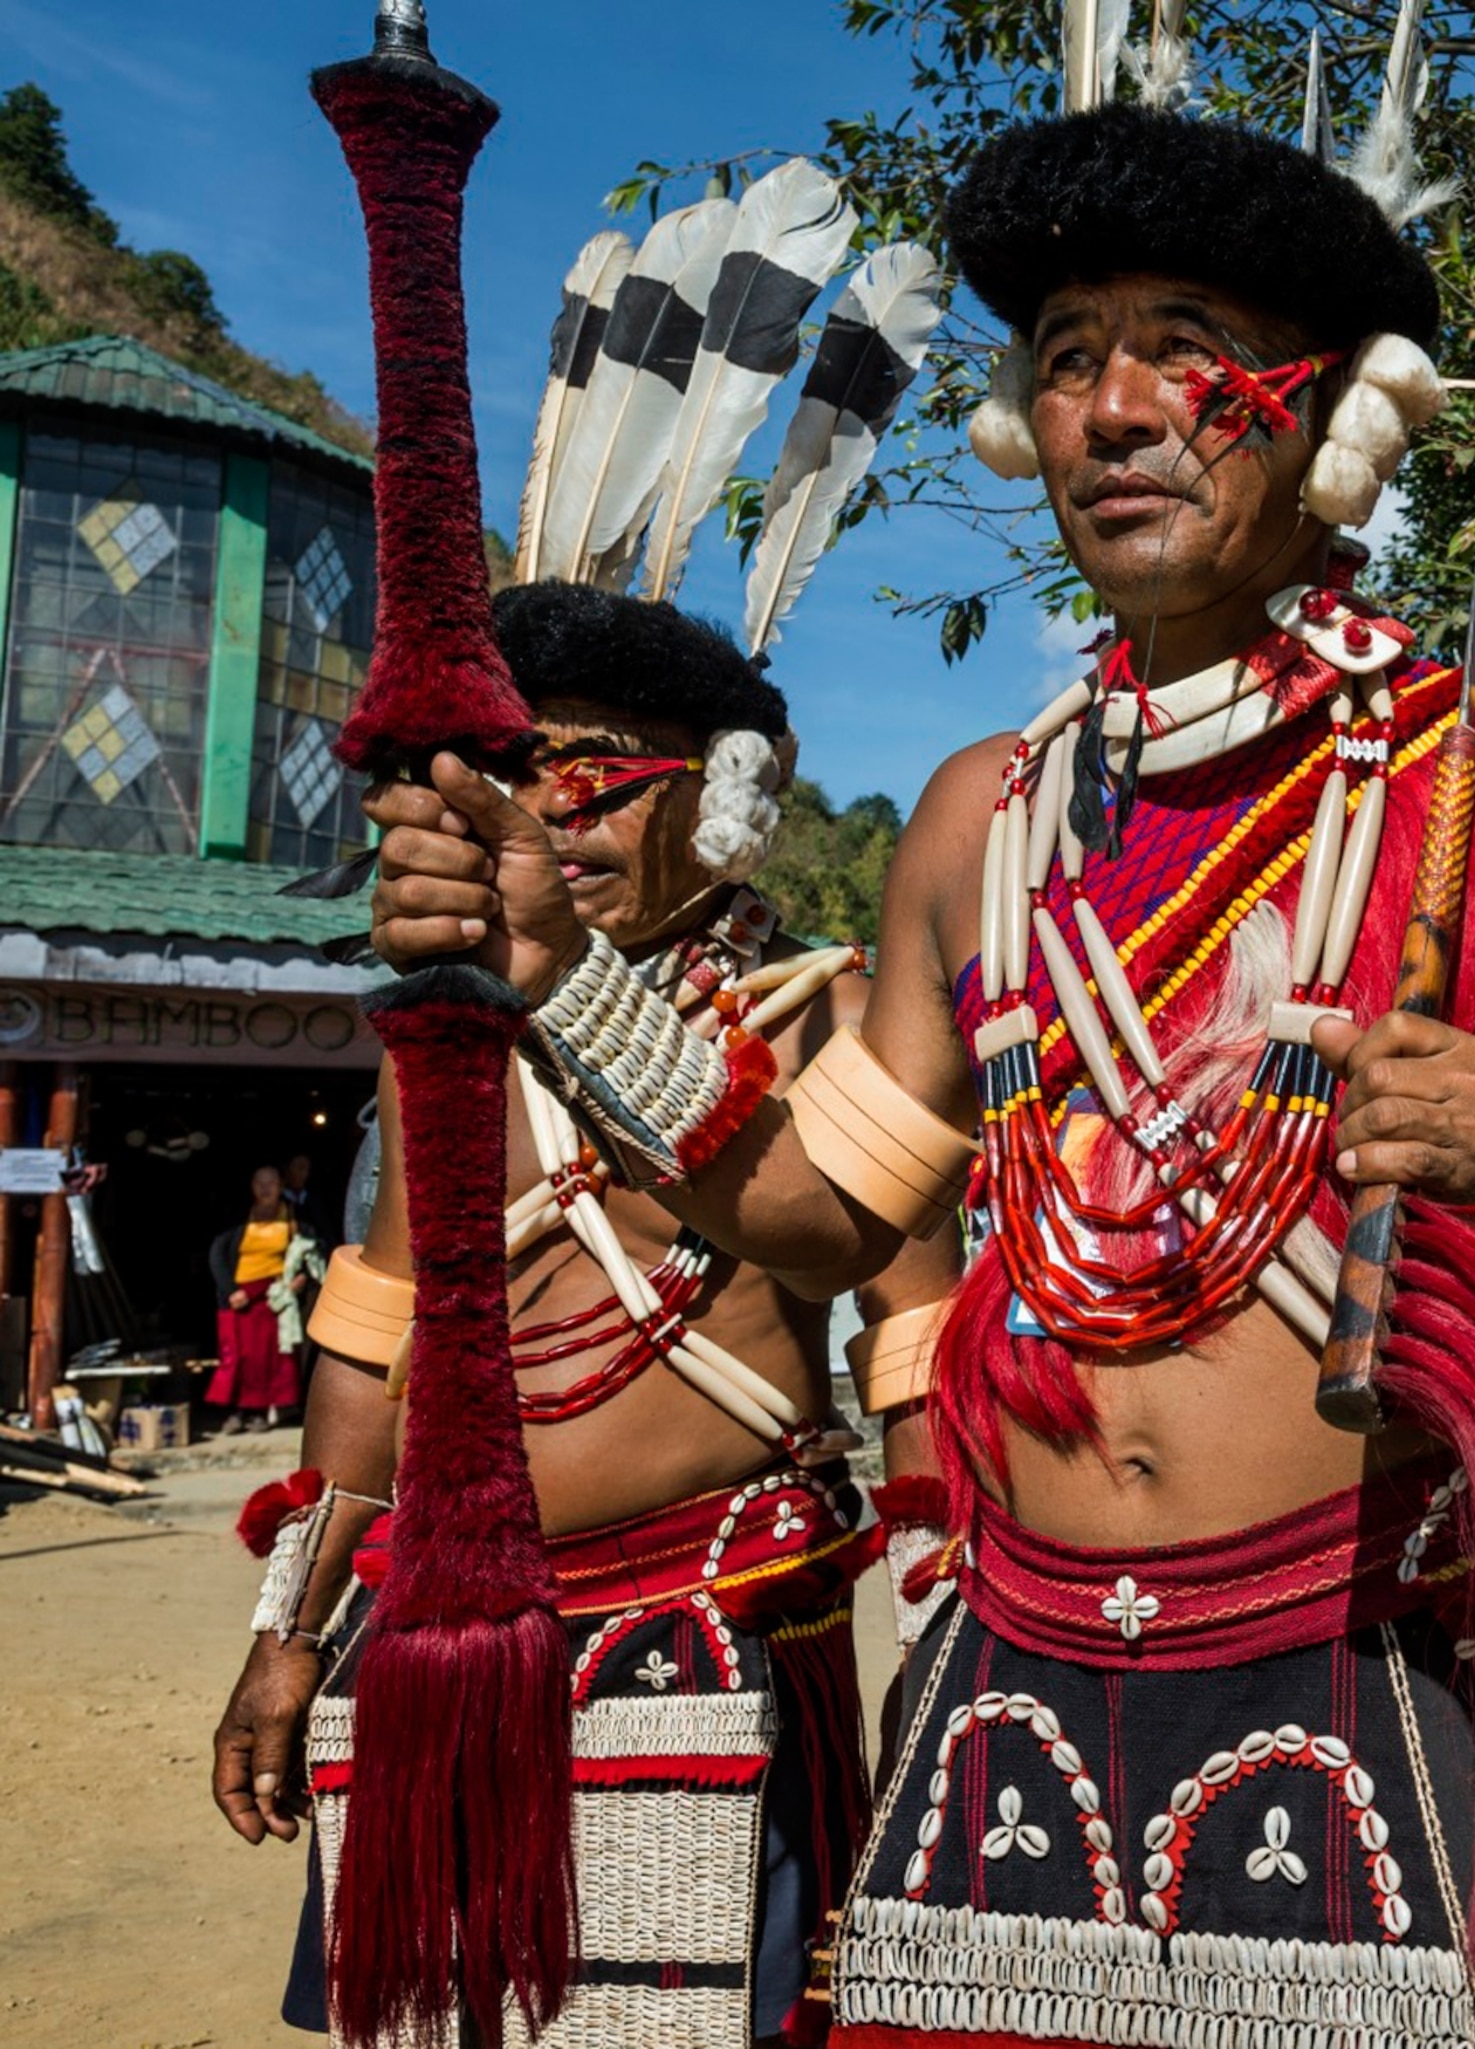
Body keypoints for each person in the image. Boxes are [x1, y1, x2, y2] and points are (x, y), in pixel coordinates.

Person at [364, 79, 1475, 2049]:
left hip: (1363, 1661)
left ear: (1319, 408)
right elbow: (830, 1205)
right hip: (1011, 1675)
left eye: (1181, 358)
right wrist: (562, 975)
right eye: (1064, 361)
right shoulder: (982, 818)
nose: (1111, 410)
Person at [208, 149, 948, 2045]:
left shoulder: (819, 1003)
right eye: (525, 780)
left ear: (722, 794)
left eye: (611, 777)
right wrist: (292, 1628)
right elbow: (368, 1350)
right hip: (445, 1631)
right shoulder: (442, 1043)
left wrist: (952, 1640)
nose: (560, 822)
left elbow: (910, 1330)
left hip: (704, 1624)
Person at [208, 1163, 319, 1432]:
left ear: (281, 1186)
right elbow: (217, 1253)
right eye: (260, 1182)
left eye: (271, 1182)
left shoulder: (294, 1218)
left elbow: (312, 1248)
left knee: (266, 1358)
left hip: (272, 1296)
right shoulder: (238, 1217)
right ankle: (237, 1412)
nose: (266, 1188)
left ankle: (259, 1411)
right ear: (252, 1187)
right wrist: (231, 1289)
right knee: (236, 1356)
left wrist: (301, 1278)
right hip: (238, 1296)